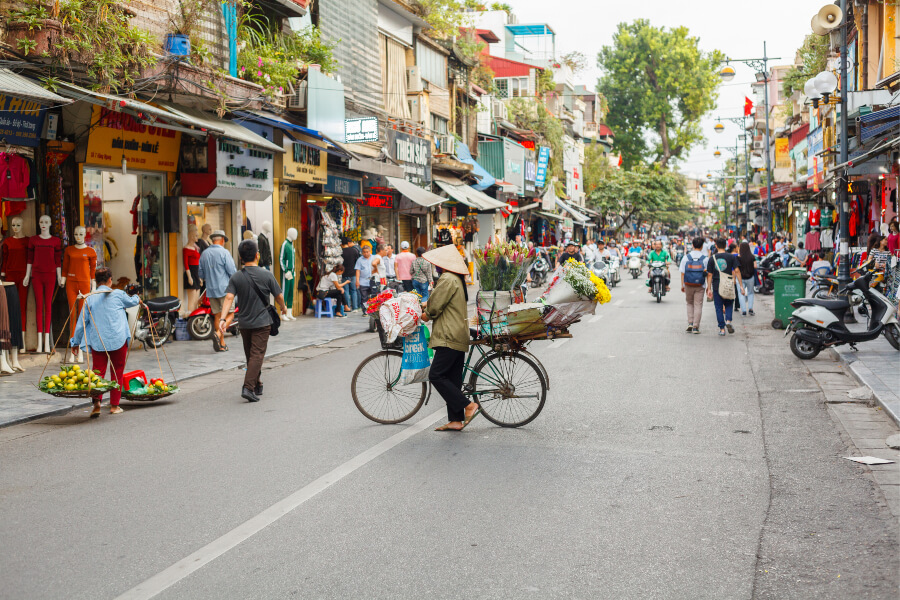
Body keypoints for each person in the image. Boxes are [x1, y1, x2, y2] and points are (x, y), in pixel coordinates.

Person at [420, 244, 480, 432]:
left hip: (449, 335)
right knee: (452, 379)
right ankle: (455, 420)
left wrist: (422, 313)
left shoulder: (447, 279)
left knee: (436, 375)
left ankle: (468, 405)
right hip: (458, 333)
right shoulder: (456, 279)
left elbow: (434, 308)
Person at [219, 240, 288, 403]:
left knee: (251, 355)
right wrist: (283, 307)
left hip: (244, 323)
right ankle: (248, 388)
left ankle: (257, 384)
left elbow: (229, 297)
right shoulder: (266, 274)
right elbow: (278, 296)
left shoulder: (236, 276)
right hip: (262, 322)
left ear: (241, 258)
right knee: (256, 355)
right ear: (258, 255)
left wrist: (223, 318)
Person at [70, 267, 140, 418]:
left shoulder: (89, 298)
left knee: (98, 373)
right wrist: (136, 296)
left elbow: (81, 323)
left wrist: (75, 342)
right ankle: (114, 406)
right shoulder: (118, 294)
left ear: (95, 280)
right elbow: (133, 301)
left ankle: (97, 404)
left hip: (98, 342)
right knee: (117, 372)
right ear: (110, 280)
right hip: (118, 340)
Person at [198, 230, 236, 352]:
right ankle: (218, 334)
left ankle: (221, 343)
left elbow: (200, 273)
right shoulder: (224, 252)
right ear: (222, 240)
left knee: (218, 316)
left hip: (211, 290)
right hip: (225, 290)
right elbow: (232, 272)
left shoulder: (204, 253)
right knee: (230, 314)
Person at [707, 237, 744, 336]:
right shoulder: (732, 257)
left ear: (716, 246)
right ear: (726, 245)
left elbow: (709, 274)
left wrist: (709, 288)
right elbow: (737, 271)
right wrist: (741, 285)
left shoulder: (712, 258)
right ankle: (728, 321)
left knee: (718, 307)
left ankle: (722, 329)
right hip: (728, 284)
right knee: (728, 304)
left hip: (716, 285)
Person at [680, 237, 708, 334]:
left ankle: (690, 323)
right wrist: (708, 287)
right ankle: (696, 327)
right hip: (700, 285)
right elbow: (708, 273)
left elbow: (682, 273)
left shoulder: (686, 257)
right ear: (702, 246)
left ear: (692, 245)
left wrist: (682, 285)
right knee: (698, 305)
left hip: (688, 284)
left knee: (689, 303)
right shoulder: (705, 259)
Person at [355, 244, 381, 308]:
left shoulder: (375, 258)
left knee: (374, 296)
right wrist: (357, 281)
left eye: (367, 252)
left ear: (370, 251)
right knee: (364, 297)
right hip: (363, 281)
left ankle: (374, 310)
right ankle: (365, 311)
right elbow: (358, 270)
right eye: (364, 252)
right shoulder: (360, 260)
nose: (366, 253)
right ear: (362, 252)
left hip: (374, 281)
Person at [340, 237, 361, 312]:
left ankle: (348, 307)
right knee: (354, 291)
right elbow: (357, 262)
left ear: (341, 244)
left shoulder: (341, 252)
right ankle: (355, 307)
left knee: (346, 291)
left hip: (344, 274)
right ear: (348, 243)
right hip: (353, 273)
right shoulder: (354, 251)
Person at [737, 242, 757, 317]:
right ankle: (751, 309)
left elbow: (736, 269)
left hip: (740, 278)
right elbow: (755, 266)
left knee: (741, 293)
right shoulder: (752, 257)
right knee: (750, 293)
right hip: (750, 277)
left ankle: (744, 310)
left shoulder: (738, 258)